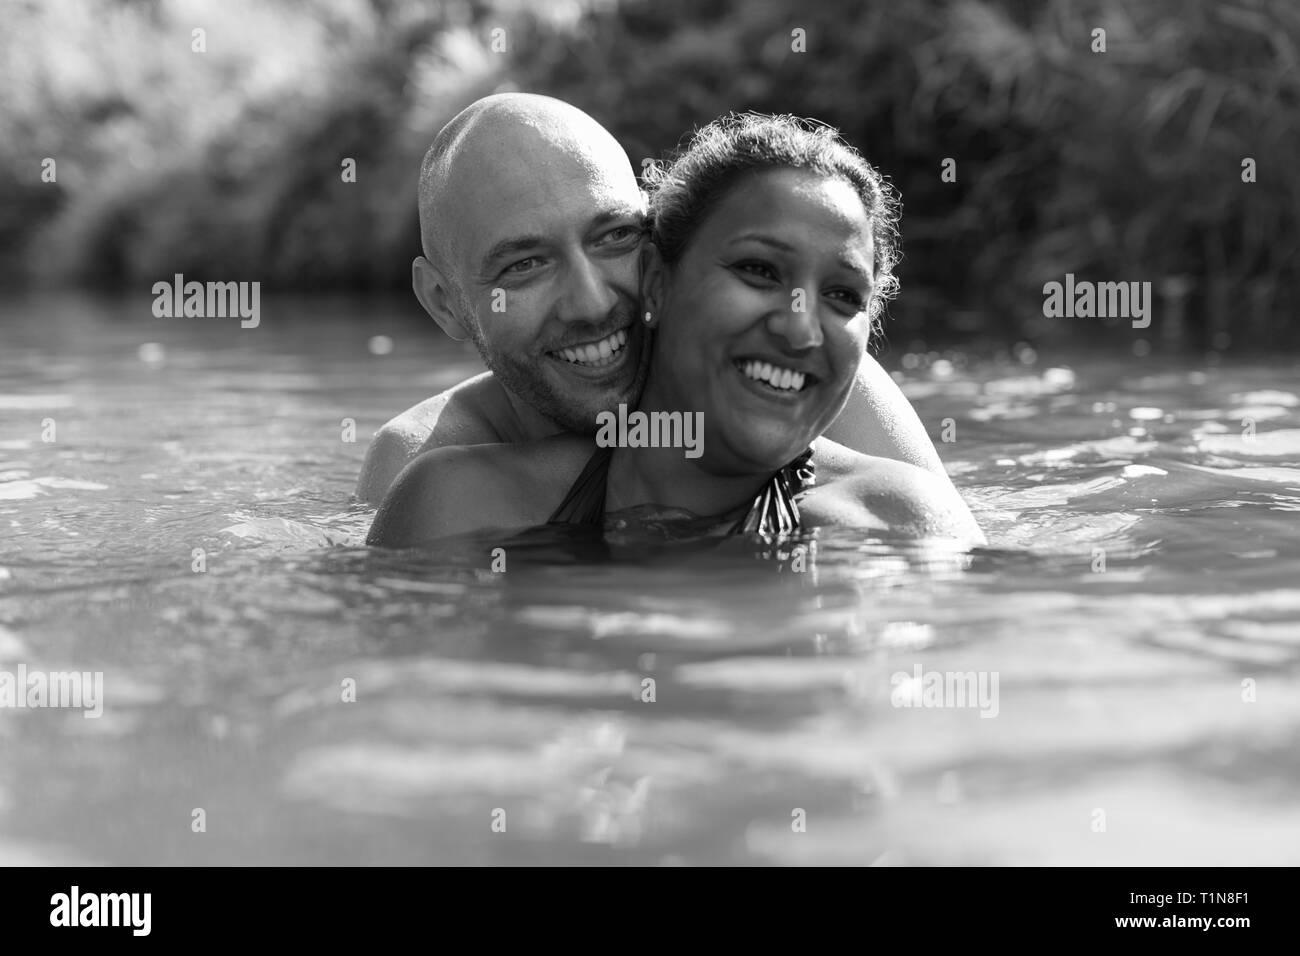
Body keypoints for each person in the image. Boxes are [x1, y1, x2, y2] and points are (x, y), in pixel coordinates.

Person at [367, 113, 984, 547]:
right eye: (524, 265)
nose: (589, 301)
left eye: (615, 237)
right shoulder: (430, 467)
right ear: (444, 304)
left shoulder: (797, 375)